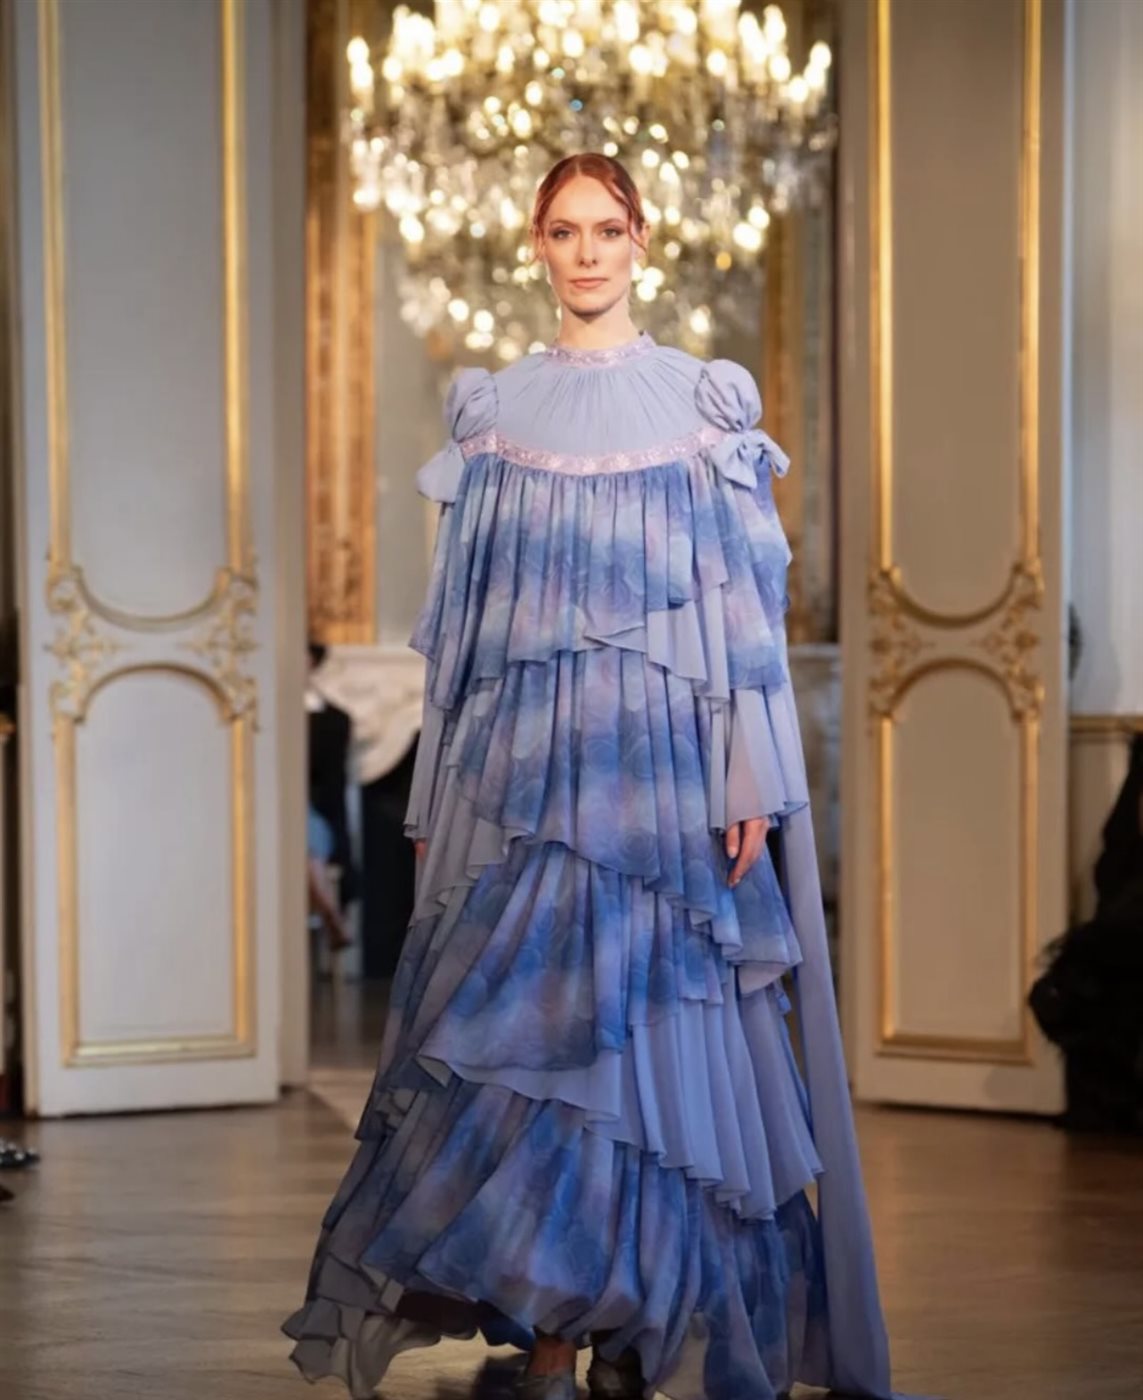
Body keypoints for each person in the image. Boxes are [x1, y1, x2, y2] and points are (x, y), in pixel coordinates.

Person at [285, 154, 907, 1400]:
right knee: (546, 1051)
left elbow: (740, 620)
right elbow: (463, 637)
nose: (586, 253)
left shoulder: (703, 407)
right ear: (536, 243)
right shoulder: (496, 415)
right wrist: (439, 798)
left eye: (607, 230)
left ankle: (635, 1324)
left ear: (642, 239)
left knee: (656, 1060)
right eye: (565, 231)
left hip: (666, 796)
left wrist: (746, 774)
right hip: (533, 793)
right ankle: (559, 1333)